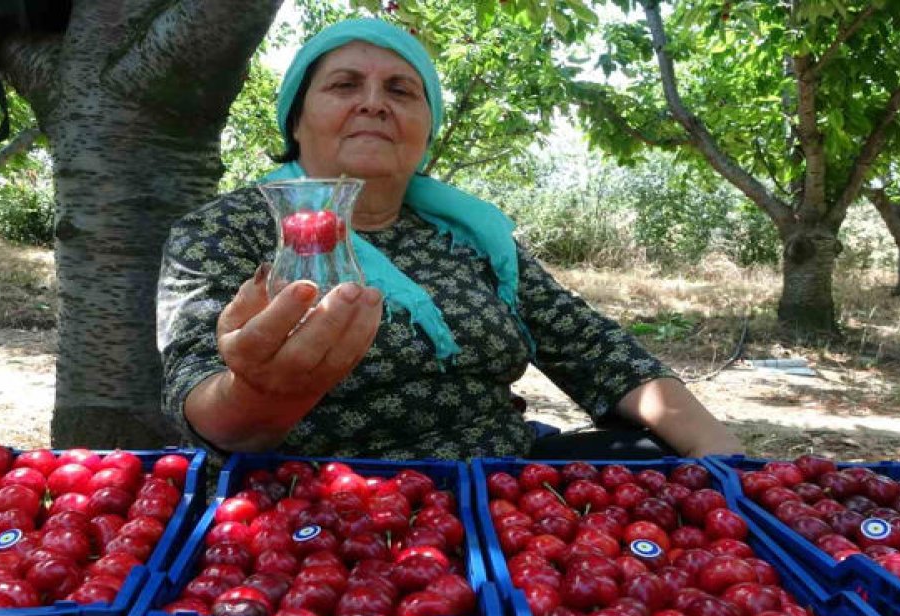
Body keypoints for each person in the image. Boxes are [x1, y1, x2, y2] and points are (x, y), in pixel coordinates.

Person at [156, 18, 742, 461]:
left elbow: (596, 350)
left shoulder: (470, 237)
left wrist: (733, 469)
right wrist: (262, 395)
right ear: (295, 118)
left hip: (499, 491)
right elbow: (203, 406)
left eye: (401, 91)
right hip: (316, 510)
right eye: (344, 84)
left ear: (426, 127)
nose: (373, 102)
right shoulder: (224, 231)